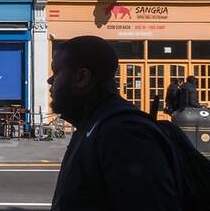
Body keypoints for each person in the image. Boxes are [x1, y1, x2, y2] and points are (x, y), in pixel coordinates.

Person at [49, 36, 181, 210]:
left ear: (82, 77)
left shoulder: (123, 133)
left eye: (56, 72)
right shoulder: (93, 124)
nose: (50, 81)